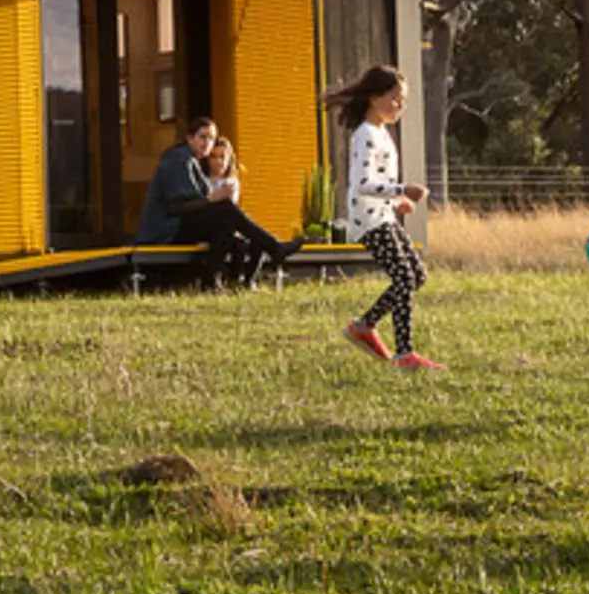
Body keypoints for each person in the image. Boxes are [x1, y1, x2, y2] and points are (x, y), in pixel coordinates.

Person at [327, 65, 438, 371]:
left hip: (383, 215)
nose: (400, 105)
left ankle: (363, 327)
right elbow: (361, 184)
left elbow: (377, 181)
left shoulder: (381, 133)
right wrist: (403, 188)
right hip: (368, 220)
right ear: (375, 99)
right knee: (404, 278)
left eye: (402, 100)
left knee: (417, 276)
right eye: (395, 98)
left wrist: (397, 200)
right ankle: (405, 354)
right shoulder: (365, 135)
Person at [135, 116, 305, 289]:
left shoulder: (192, 162)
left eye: (211, 139)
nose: (207, 143)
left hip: (179, 225)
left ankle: (213, 280)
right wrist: (212, 199)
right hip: (166, 231)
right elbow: (176, 207)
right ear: (190, 138)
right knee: (225, 210)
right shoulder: (177, 160)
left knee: (226, 222)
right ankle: (274, 248)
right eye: (203, 137)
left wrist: (213, 200)